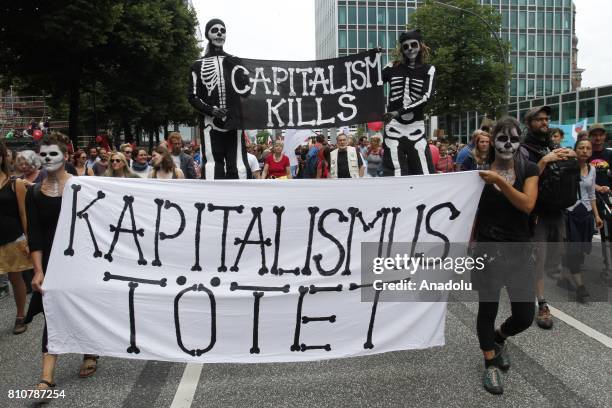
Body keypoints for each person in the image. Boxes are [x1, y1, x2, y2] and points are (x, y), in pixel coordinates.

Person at [26, 134, 99, 394]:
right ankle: (47, 377)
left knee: (84, 306)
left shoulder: (83, 187)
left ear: (66, 156)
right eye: (43, 154)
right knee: (52, 312)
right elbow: (34, 233)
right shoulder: (34, 192)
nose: (47, 159)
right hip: (50, 261)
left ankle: (90, 351)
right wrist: (38, 270)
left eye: (53, 154)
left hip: (81, 260)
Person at [473, 117, 539, 395]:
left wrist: (499, 181)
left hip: (519, 252)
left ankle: (499, 338)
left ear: (520, 140)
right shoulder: (477, 173)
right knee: (487, 310)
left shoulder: (530, 170)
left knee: (525, 315)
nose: (508, 143)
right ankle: (489, 362)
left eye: (514, 137)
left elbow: (527, 204)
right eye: (502, 137)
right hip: (487, 252)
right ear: (493, 140)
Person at [519, 105, 577, 330]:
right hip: (538, 213)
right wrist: (544, 161)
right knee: (539, 260)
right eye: (539, 119)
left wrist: (569, 154)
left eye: (546, 119)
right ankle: (541, 304)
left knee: (556, 257)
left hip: (558, 211)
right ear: (529, 123)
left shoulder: (552, 144)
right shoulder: (523, 148)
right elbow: (523, 178)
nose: (544, 123)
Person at [188, 18, 251, 179]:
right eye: (215, 30)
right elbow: (192, 96)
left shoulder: (235, 62)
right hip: (210, 123)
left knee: (237, 164)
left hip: (234, 122)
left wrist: (245, 79)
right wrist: (211, 110)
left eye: (223, 31)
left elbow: (246, 91)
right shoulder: (198, 65)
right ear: (208, 34)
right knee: (213, 164)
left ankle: (240, 200)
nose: (219, 34)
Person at [381, 29, 435, 176]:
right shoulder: (392, 67)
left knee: (424, 171)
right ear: (401, 50)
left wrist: (398, 111)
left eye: (413, 44)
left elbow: (426, 97)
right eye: (406, 46)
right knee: (394, 172)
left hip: (415, 127)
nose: (410, 48)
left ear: (420, 45)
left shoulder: (428, 70)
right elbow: (372, 83)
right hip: (393, 127)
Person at [560, 139, 603, 302]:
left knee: (582, 249)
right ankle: (580, 286)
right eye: (581, 148)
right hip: (569, 213)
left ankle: (563, 277)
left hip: (586, 214)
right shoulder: (567, 168)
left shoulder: (592, 169)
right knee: (574, 250)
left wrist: (597, 215)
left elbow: (592, 194)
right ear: (575, 150)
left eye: (588, 148)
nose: (584, 150)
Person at [0, 142, 31, 334]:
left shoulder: (16, 183)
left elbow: (24, 214)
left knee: (15, 278)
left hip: (12, 238)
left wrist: (29, 240)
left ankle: (20, 316)